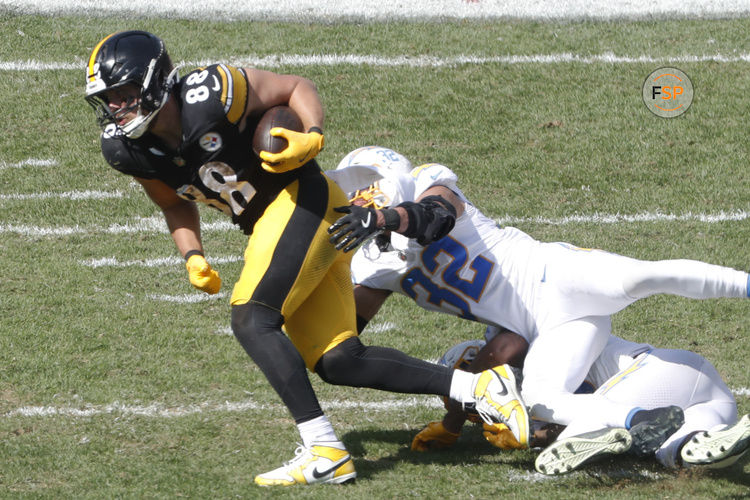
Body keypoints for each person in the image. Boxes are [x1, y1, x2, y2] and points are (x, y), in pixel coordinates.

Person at [84, 31, 527, 487]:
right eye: (108, 99)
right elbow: (174, 203)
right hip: (274, 223)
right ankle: (477, 387)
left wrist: (312, 135)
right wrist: (192, 255)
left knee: (252, 319)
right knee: (339, 359)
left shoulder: (210, 91)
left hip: (302, 200)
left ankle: (324, 448)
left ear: (156, 81)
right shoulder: (125, 148)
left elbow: (295, 86)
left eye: (123, 94)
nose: (116, 108)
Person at [326, 145, 749, 463]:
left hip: (551, 272)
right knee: (543, 396)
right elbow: (342, 336)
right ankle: (637, 423)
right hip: (547, 328)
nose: (361, 200)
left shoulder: (427, 181)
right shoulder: (371, 263)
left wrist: (385, 219)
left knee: (643, 275)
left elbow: (437, 214)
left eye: (367, 189)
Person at [414, 328, 750, 474]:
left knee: (581, 431)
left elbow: (507, 348)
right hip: (700, 389)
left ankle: (605, 434)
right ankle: (713, 437)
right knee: (679, 456)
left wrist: (453, 422)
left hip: (656, 379)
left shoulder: (519, 355)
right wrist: (534, 436)